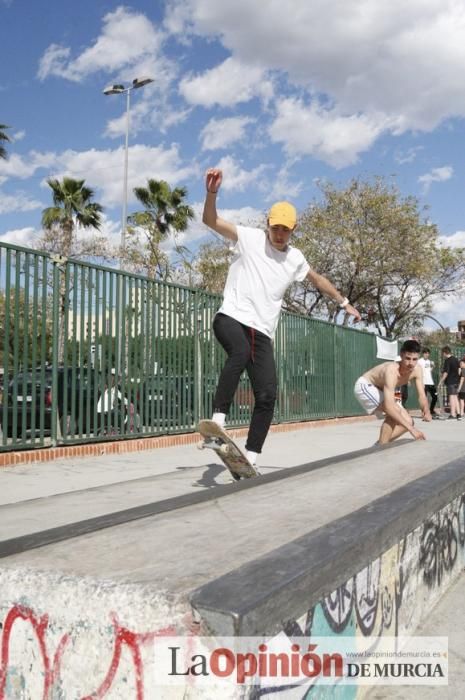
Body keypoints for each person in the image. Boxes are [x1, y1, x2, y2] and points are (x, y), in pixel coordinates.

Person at [202, 167, 361, 468]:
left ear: (293, 229)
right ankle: (217, 422)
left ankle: (249, 459)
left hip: (262, 331)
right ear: (267, 224)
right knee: (239, 351)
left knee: (267, 394)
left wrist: (344, 302)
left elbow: (318, 280)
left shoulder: (295, 258)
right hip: (231, 318)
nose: (278, 234)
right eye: (275, 228)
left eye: (284, 230)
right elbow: (210, 221)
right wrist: (212, 193)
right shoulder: (248, 238)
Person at [354, 339, 431, 444]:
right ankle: (381, 449)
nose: (411, 363)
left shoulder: (417, 370)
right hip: (366, 386)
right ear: (401, 355)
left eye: (414, 359)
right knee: (394, 413)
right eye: (407, 358)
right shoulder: (391, 370)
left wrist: (426, 410)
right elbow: (389, 408)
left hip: (382, 389)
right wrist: (412, 430)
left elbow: (422, 395)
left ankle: (379, 445)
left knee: (408, 421)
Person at [438, 346, 461, 420]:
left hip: (450, 381)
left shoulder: (447, 360)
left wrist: (441, 382)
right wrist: (457, 378)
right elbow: (459, 370)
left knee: (451, 397)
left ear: (444, 353)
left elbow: (446, 373)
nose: (443, 355)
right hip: (456, 381)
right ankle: (458, 414)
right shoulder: (455, 359)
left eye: (443, 353)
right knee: (455, 397)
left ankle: (452, 414)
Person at [417, 347, 438, 418]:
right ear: (423, 354)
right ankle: (423, 412)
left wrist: (433, 367)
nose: (427, 355)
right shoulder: (419, 361)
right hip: (423, 382)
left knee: (435, 397)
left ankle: (431, 410)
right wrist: (421, 382)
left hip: (430, 382)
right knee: (424, 398)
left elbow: (428, 371)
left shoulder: (429, 361)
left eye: (428, 353)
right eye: (425, 353)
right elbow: (418, 371)